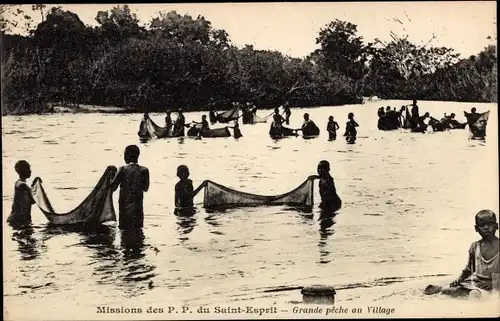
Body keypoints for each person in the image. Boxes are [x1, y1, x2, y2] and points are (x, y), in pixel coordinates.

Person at [426, 210, 499, 297]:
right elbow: (469, 269)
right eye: (482, 225)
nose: (486, 228)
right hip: (476, 282)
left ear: (497, 226)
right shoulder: (475, 247)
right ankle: (444, 289)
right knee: (452, 290)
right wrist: (458, 280)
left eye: (490, 224)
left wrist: (492, 283)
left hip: (494, 284)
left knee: (474, 294)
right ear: (476, 228)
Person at [111, 145, 150, 230]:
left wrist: (110, 177)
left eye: (124, 154)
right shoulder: (144, 170)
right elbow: (145, 188)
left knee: (125, 232)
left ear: (127, 156)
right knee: (138, 232)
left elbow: (113, 188)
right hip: (138, 209)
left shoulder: (122, 169)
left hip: (125, 209)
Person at [7, 160, 36, 228]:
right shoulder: (20, 184)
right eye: (28, 169)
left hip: (23, 220)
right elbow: (33, 199)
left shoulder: (24, 186)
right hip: (17, 220)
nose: (30, 171)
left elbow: (32, 200)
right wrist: (30, 188)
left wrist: (35, 183)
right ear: (23, 171)